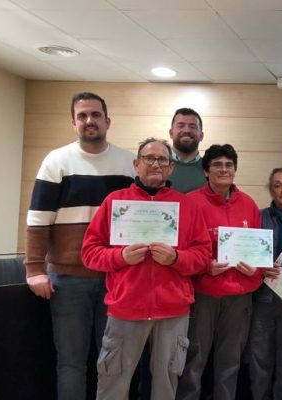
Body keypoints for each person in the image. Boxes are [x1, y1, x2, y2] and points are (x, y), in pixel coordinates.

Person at [81, 138, 212, 399]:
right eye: (149, 158)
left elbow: (202, 256)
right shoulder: (115, 202)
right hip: (126, 308)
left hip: (173, 310)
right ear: (136, 164)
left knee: (166, 386)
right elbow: (89, 253)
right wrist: (120, 257)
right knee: (112, 382)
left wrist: (176, 258)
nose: (156, 164)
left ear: (171, 168)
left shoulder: (187, 207)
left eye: (163, 160)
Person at [24, 92, 135, 400]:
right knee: (71, 362)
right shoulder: (56, 161)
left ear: (107, 121)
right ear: (73, 122)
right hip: (68, 279)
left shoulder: (129, 164)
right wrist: (34, 269)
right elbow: (37, 220)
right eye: (82, 116)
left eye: (95, 115)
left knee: (111, 361)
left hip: (116, 278)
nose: (90, 121)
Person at [177, 144, 263, 400]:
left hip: (239, 297)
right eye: (217, 165)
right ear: (206, 171)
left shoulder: (249, 204)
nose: (224, 170)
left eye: (229, 165)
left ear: (235, 170)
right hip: (202, 294)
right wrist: (205, 267)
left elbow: (259, 250)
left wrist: (255, 272)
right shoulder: (190, 202)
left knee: (230, 363)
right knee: (193, 360)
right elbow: (180, 250)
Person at [248, 167, 282, 400]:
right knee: (260, 355)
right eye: (277, 185)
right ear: (270, 189)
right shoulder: (258, 217)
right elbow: (247, 252)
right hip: (264, 296)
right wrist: (258, 270)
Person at [169, 108, 206, 193]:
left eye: (192, 127)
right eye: (181, 126)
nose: (186, 130)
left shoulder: (210, 169)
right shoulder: (158, 167)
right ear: (171, 133)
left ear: (201, 135)